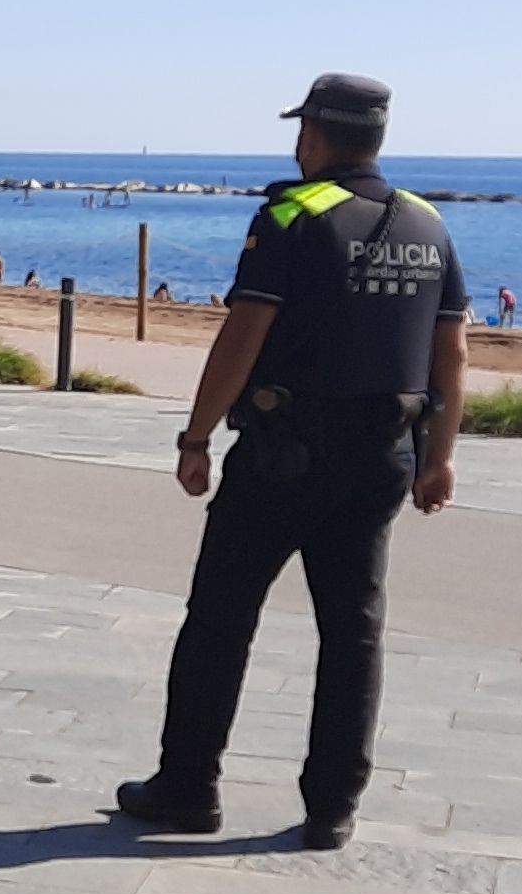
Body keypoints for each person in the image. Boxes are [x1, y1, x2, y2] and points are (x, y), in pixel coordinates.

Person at [117, 73, 465, 849]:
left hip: (285, 452)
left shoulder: (289, 216)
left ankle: (189, 787)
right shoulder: (428, 224)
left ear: (312, 135)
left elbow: (243, 334)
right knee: (354, 631)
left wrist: (196, 436)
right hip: (386, 454)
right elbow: (453, 352)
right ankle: (334, 805)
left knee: (220, 618)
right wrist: (439, 458)